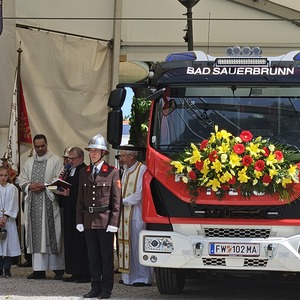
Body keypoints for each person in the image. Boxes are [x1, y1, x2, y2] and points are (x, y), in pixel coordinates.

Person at [76, 133, 121, 299]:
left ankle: (106, 288)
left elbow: (117, 201)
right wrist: (79, 220)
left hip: (105, 221)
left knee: (106, 257)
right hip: (89, 220)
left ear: (103, 153)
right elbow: (80, 199)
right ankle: (95, 286)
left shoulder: (112, 172)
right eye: (91, 150)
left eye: (96, 150)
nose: (93, 153)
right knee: (93, 256)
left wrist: (114, 222)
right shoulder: (84, 172)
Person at [16, 134, 65, 280]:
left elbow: (61, 180)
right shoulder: (29, 162)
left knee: (53, 235)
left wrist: (45, 186)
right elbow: (21, 179)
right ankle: (39, 270)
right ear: (34, 146)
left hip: (50, 202)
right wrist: (30, 186)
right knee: (37, 237)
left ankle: (58, 269)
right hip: (34, 204)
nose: (40, 149)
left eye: (43, 145)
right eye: (37, 146)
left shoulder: (56, 160)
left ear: (47, 144)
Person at [118, 147, 153, 286]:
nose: (121, 159)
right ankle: (128, 277)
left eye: (123, 156)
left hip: (136, 213)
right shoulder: (126, 169)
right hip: (124, 213)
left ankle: (142, 277)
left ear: (132, 156)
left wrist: (123, 201)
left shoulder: (142, 169)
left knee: (138, 244)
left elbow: (140, 193)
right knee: (126, 244)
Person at [58, 146, 90, 283]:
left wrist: (70, 194)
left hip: (80, 211)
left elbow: (86, 192)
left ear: (81, 158)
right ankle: (74, 271)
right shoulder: (70, 170)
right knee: (70, 241)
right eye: (69, 158)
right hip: (70, 210)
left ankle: (84, 273)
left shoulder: (85, 170)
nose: (70, 161)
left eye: (73, 158)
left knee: (80, 243)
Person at [0, 166, 21, 277]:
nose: (3, 178)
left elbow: (13, 203)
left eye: (5, 175)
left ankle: (7, 269)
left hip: (8, 220)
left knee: (8, 245)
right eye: (1, 175)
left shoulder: (12, 188)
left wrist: (5, 217)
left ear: (8, 176)